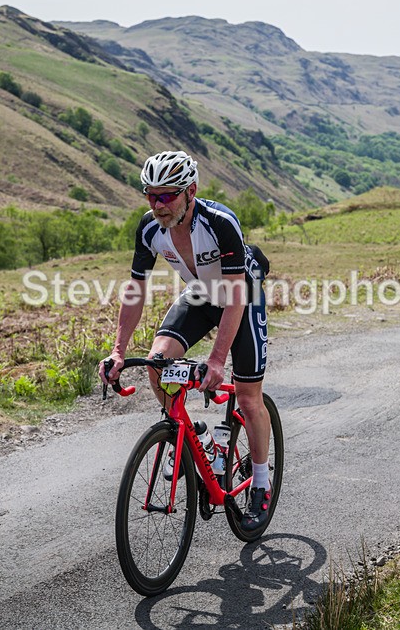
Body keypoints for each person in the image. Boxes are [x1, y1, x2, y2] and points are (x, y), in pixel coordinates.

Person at [99, 151, 273, 531]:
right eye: (151, 196)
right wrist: (117, 351)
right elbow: (135, 290)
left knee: (247, 397)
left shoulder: (219, 223)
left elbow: (234, 296)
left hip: (240, 297)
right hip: (198, 295)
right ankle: (198, 439)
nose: (158, 205)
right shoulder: (149, 229)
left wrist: (215, 359)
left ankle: (261, 482)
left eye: (167, 196)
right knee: (157, 365)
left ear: (190, 191)